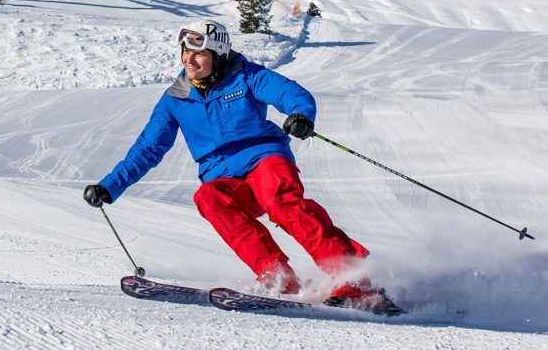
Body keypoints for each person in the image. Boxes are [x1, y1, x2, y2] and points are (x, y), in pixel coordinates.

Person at [83, 19, 386, 309]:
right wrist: (110, 186)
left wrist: (300, 114)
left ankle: (352, 277)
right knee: (208, 198)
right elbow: (149, 147)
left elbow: (291, 93)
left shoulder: (246, 75)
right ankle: (278, 277)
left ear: (217, 54)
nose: (189, 60)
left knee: (280, 201)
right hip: (223, 176)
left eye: (199, 54)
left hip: (265, 158)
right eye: (185, 52)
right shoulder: (176, 97)